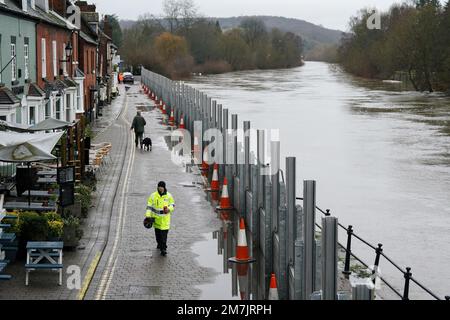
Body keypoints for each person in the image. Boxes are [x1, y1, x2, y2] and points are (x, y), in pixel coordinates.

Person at [145, 181, 175, 256]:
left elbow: (172, 205)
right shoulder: (153, 196)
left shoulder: (169, 196)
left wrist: (169, 209)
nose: (160, 189)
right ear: (157, 187)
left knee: (164, 236)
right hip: (156, 220)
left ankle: (163, 249)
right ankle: (159, 244)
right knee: (158, 237)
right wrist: (148, 216)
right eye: (159, 187)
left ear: (164, 188)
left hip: (165, 221)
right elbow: (149, 207)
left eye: (162, 187)